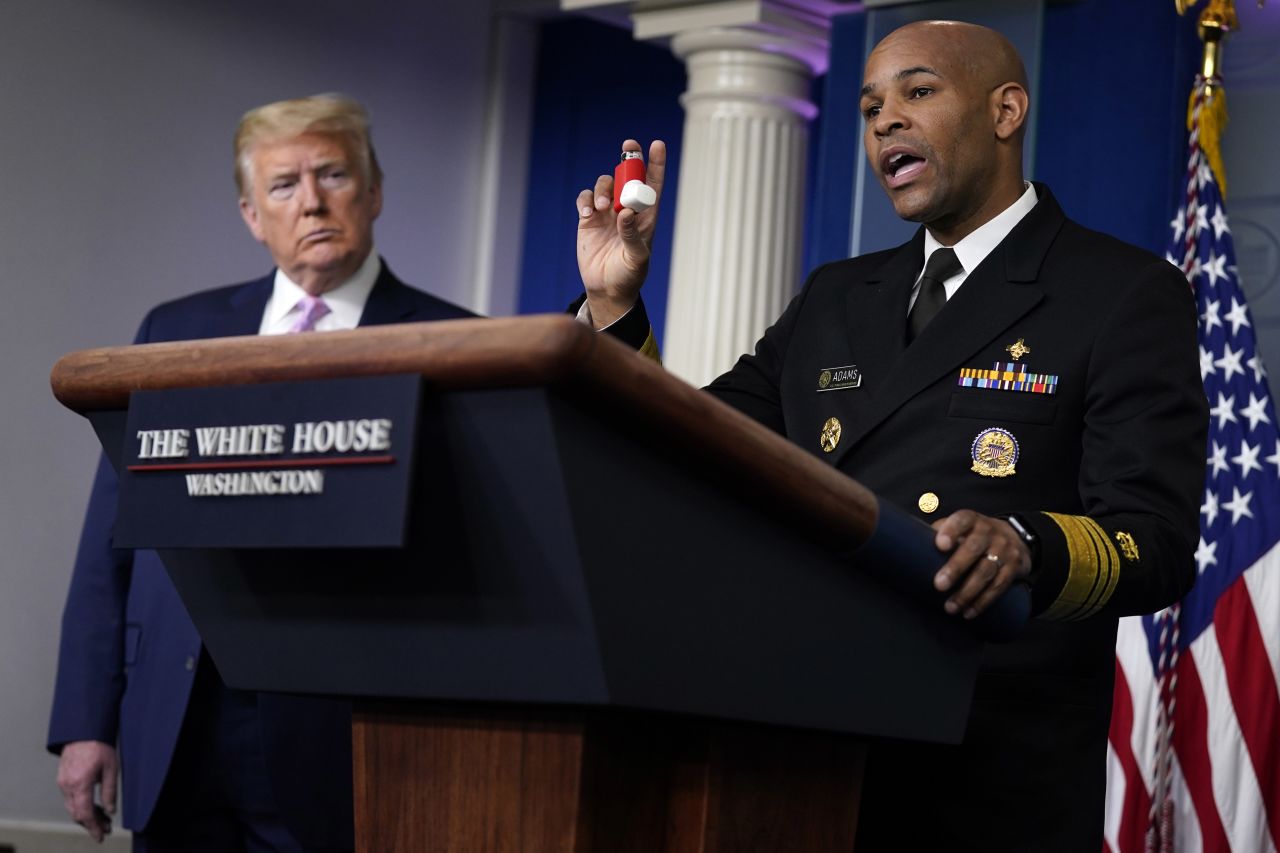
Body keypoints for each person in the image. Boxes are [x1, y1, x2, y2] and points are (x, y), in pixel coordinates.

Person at [573, 21, 1207, 851]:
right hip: (802, 749)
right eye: (871, 105)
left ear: (1006, 110)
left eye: (917, 92)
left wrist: (1025, 547)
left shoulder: (1120, 292)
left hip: (987, 772)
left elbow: (1155, 539)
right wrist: (616, 308)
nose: (884, 122)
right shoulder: (837, 297)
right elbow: (700, 444)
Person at [48, 94, 471, 852]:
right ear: (252, 212)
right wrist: (86, 720)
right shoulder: (173, 333)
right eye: (284, 185)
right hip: (175, 717)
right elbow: (111, 541)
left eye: (333, 174)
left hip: (345, 732)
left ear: (374, 192)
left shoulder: (459, 343)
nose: (310, 201)